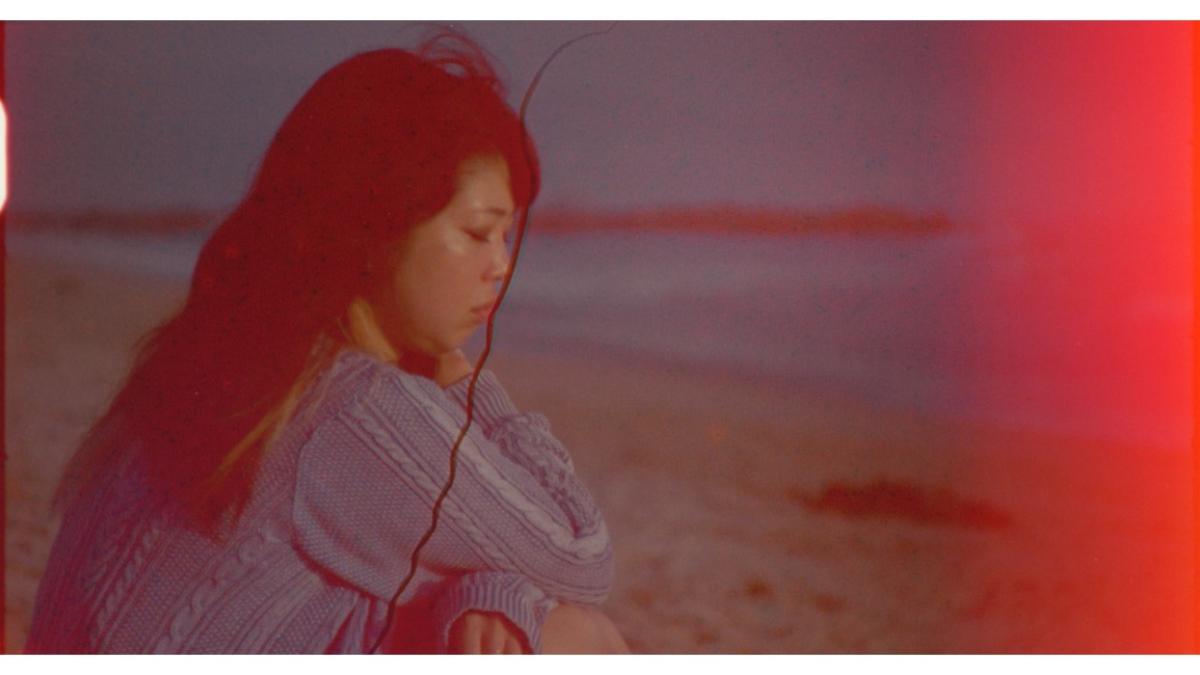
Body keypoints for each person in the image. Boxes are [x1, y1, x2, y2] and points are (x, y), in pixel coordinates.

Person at [25, 32, 629, 655]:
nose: (500, 266)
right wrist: (467, 384)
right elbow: (581, 555)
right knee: (575, 637)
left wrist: (488, 592)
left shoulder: (232, 358)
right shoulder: (354, 408)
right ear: (376, 229)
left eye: (507, 238)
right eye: (478, 233)